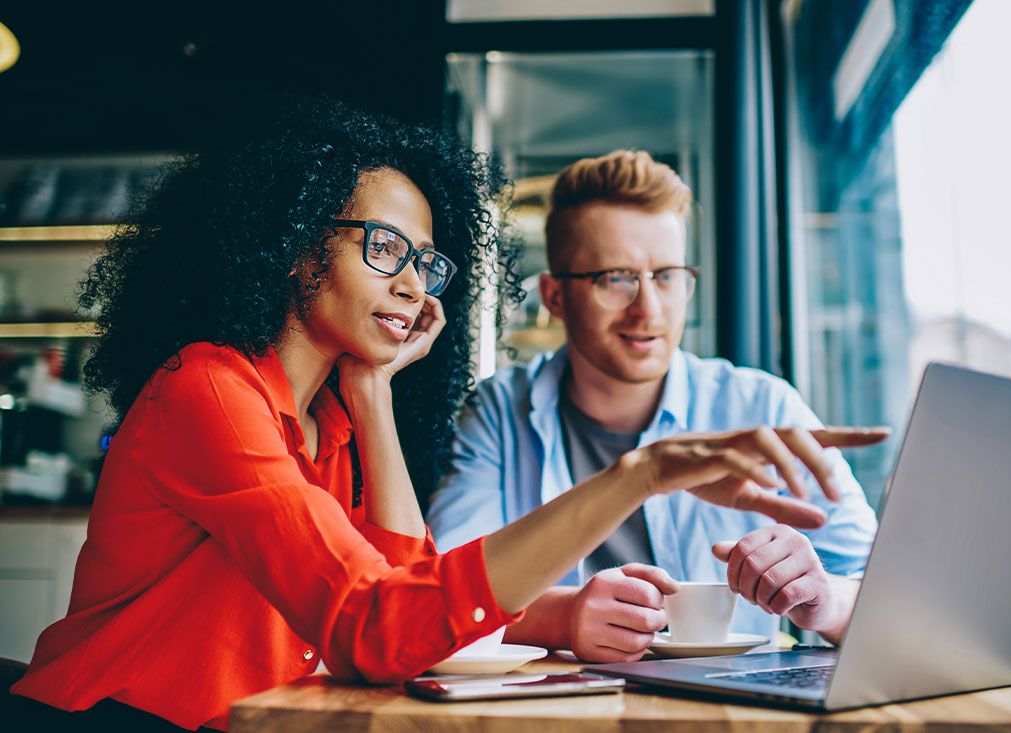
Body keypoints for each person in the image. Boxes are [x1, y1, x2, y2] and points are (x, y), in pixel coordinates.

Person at [8, 104, 882, 731]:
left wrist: (375, 394)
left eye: (425, 260)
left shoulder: (335, 423)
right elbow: (378, 625)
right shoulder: (208, 390)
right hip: (114, 717)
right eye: (383, 247)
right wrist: (639, 475)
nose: (413, 284)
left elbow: (408, 607)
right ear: (294, 247)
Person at [426, 150, 882, 663]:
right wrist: (563, 616)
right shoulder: (499, 411)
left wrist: (826, 601)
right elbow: (439, 594)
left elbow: (888, 594)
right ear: (554, 296)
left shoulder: (762, 406)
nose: (649, 308)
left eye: (667, 276)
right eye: (615, 278)